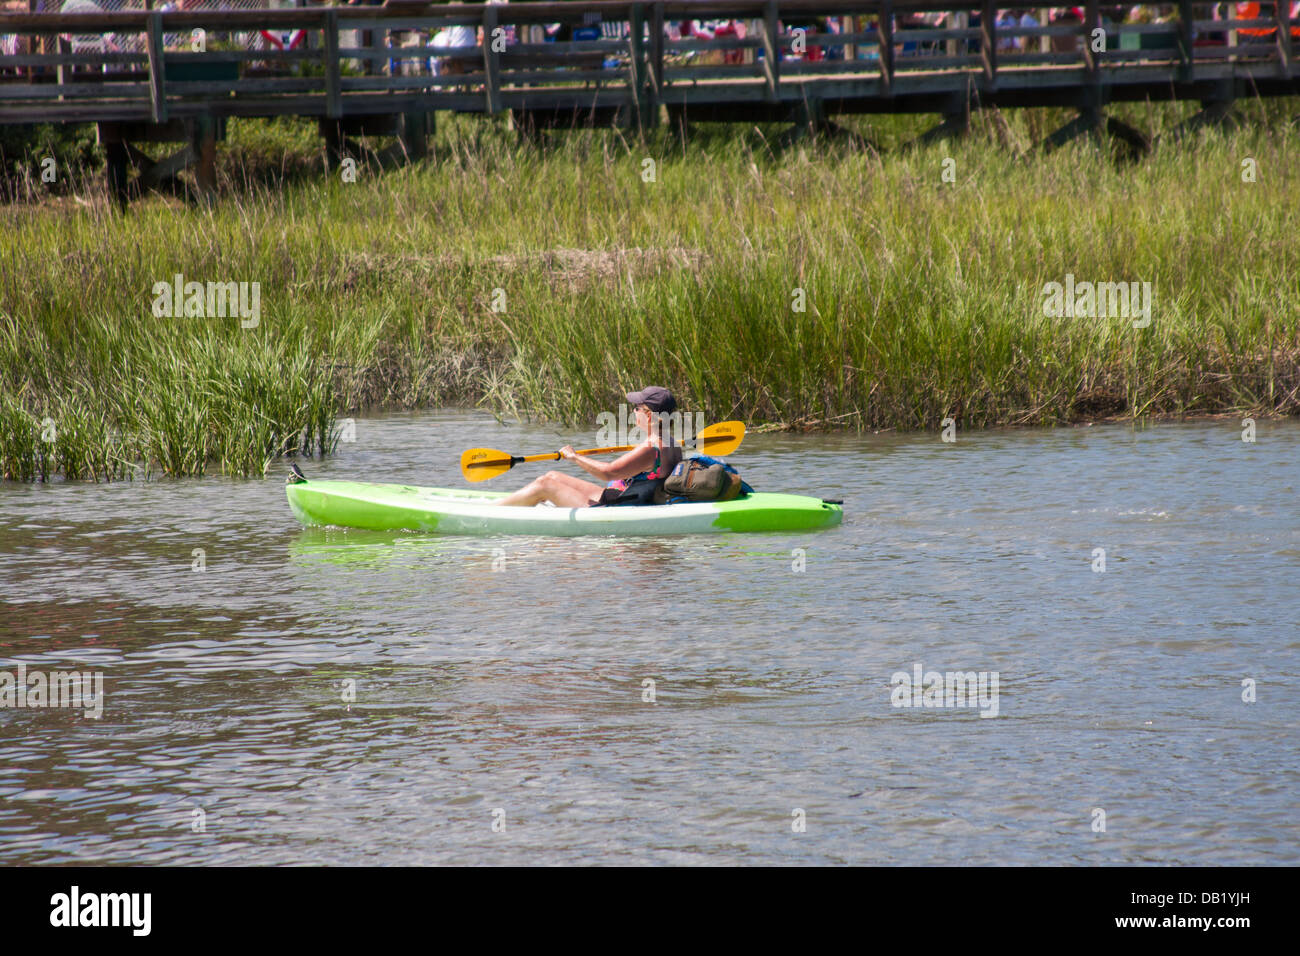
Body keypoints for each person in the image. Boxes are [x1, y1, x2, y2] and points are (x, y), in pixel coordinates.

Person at [496, 387, 684, 508]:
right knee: (551, 476)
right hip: (620, 497)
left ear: (649, 416)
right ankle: (509, 504)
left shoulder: (651, 447)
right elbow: (623, 471)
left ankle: (493, 512)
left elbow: (608, 473)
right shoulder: (672, 442)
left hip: (615, 509)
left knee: (544, 485)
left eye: (636, 407)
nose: (633, 411)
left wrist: (574, 457)